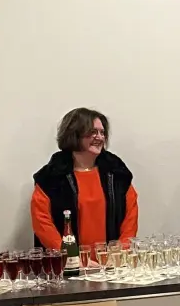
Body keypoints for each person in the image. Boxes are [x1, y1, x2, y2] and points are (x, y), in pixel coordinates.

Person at [32, 107, 138, 251]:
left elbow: (130, 215)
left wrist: (120, 250)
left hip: (112, 265)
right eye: (93, 132)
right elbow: (42, 223)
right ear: (74, 133)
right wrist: (70, 256)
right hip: (70, 266)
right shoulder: (51, 176)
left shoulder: (116, 171)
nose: (100, 137)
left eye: (102, 132)